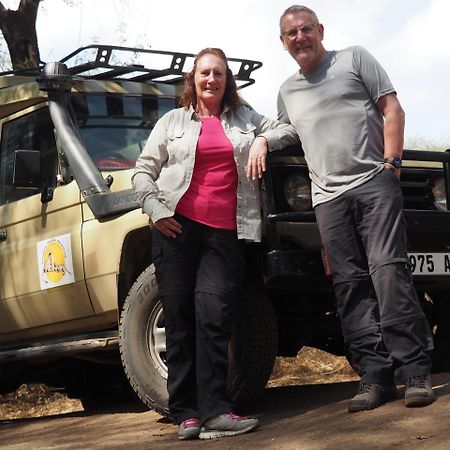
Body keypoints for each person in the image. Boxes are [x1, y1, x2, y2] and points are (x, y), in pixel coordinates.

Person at [274, 5, 435, 412]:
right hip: (327, 199)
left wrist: (392, 164)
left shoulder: (354, 58)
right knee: (349, 286)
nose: (300, 38)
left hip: (373, 184)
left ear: (320, 30)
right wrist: (262, 141)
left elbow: (392, 108)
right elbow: (288, 131)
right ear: (283, 42)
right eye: (291, 33)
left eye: (305, 29)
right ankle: (375, 376)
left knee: (388, 272)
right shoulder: (287, 90)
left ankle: (414, 371)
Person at [132, 47, 298, 440]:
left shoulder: (246, 118)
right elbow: (142, 170)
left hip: (226, 233)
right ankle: (186, 415)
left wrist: (263, 142)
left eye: (218, 74)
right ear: (193, 78)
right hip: (176, 230)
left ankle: (217, 411)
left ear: (228, 81)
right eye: (205, 73)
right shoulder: (173, 121)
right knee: (180, 318)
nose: (211, 79)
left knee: (214, 316)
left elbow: (288, 129)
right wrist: (156, 209)